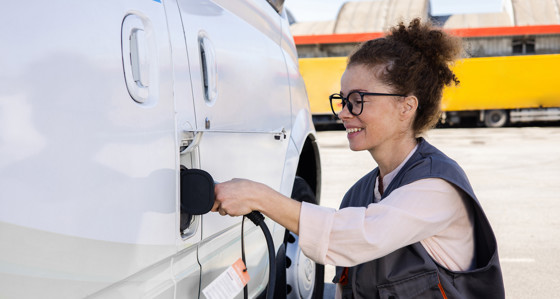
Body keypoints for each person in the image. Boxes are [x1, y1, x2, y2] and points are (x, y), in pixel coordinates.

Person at [212, 18, 505, 298]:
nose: (342, 112)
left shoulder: (437, 188)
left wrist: (258, 196)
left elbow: (352, 236)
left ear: (406, 107)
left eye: (357, 100)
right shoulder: (358, 195)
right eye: (342, 100)